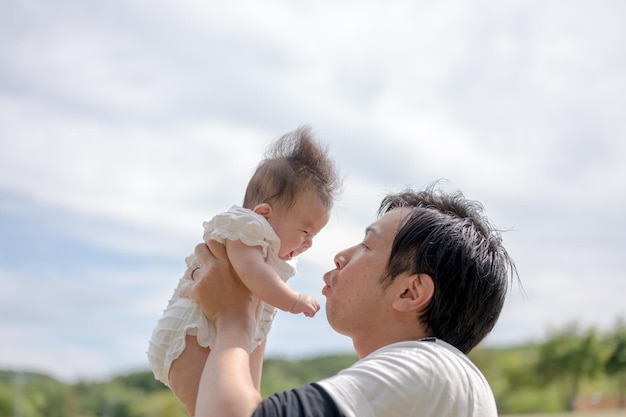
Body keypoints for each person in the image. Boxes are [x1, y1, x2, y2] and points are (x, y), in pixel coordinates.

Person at [182, 184, 517, 417]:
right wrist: (255, 297)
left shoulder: (428, 367)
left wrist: (233, 320)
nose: (341, 256)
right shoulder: (438, 379)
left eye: (367, 246)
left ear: (410, 292)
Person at [147, 126, 341, 416]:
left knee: (230, 402)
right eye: (304, 231)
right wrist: (293, 300)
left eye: (315, 236)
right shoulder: (246, 229)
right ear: (264, 214)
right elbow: (251, 272)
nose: (308, 244)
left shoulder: (267, 250)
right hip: (190, 339)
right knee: (207, 404)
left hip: (216, 338)